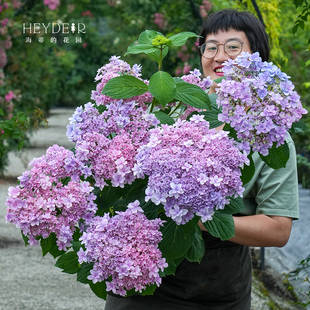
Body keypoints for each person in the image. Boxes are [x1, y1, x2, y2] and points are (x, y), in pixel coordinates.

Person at [104, 9, 299, 310]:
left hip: (215, 290)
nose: (219, 56)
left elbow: (278, 228)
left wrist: (201, 218)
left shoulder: (270, 138)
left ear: (256, 57)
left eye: (233, 47)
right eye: (211, 47)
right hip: (141, 279)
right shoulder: (172, 105)